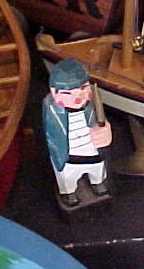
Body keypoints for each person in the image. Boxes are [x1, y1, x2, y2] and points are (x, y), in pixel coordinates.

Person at [42, 59, 112, 210]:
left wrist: (105, 129)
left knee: (97, 170)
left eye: (83, 88)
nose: (78, 98)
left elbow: (101, 119)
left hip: (93, 151)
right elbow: (51, 136)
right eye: (68, 93)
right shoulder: (52, 111)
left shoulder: (92, 104)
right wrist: (57, 154)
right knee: (68, 178)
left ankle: (98, 183)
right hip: (69, 156)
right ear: (54, 92)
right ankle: (69, 192)